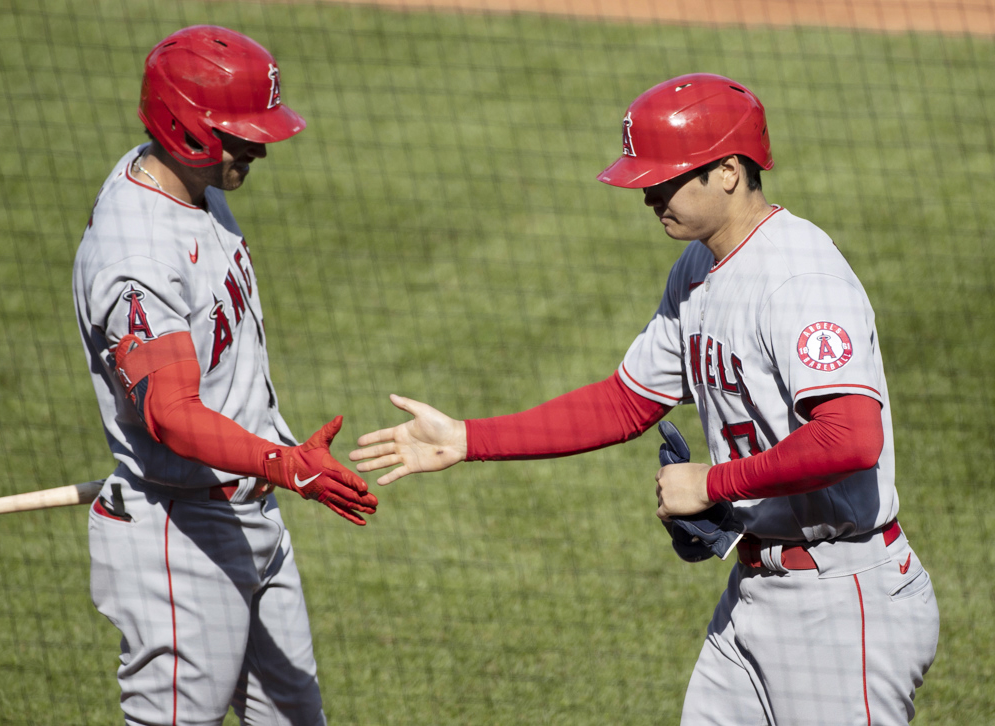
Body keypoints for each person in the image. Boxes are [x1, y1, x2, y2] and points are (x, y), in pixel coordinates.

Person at [349, 73, 939, 724]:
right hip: (757, 591)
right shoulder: (697, 271)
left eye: (667, 178)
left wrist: (715, 482)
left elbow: (852, 438)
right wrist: (467, 439)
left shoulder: (800, 276)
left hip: (843, 601)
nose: (649, 194)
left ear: (730, 172)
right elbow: (625, 402)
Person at [73, 25, 377, 725]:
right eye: (242, 134)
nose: (260, 148)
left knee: (296, 716)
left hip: (246, 506)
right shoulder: (135, 258)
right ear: (186, 129)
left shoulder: (190, 185)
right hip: (183, 536)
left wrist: (273, 469)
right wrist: (284, 463)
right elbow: (172, 412)